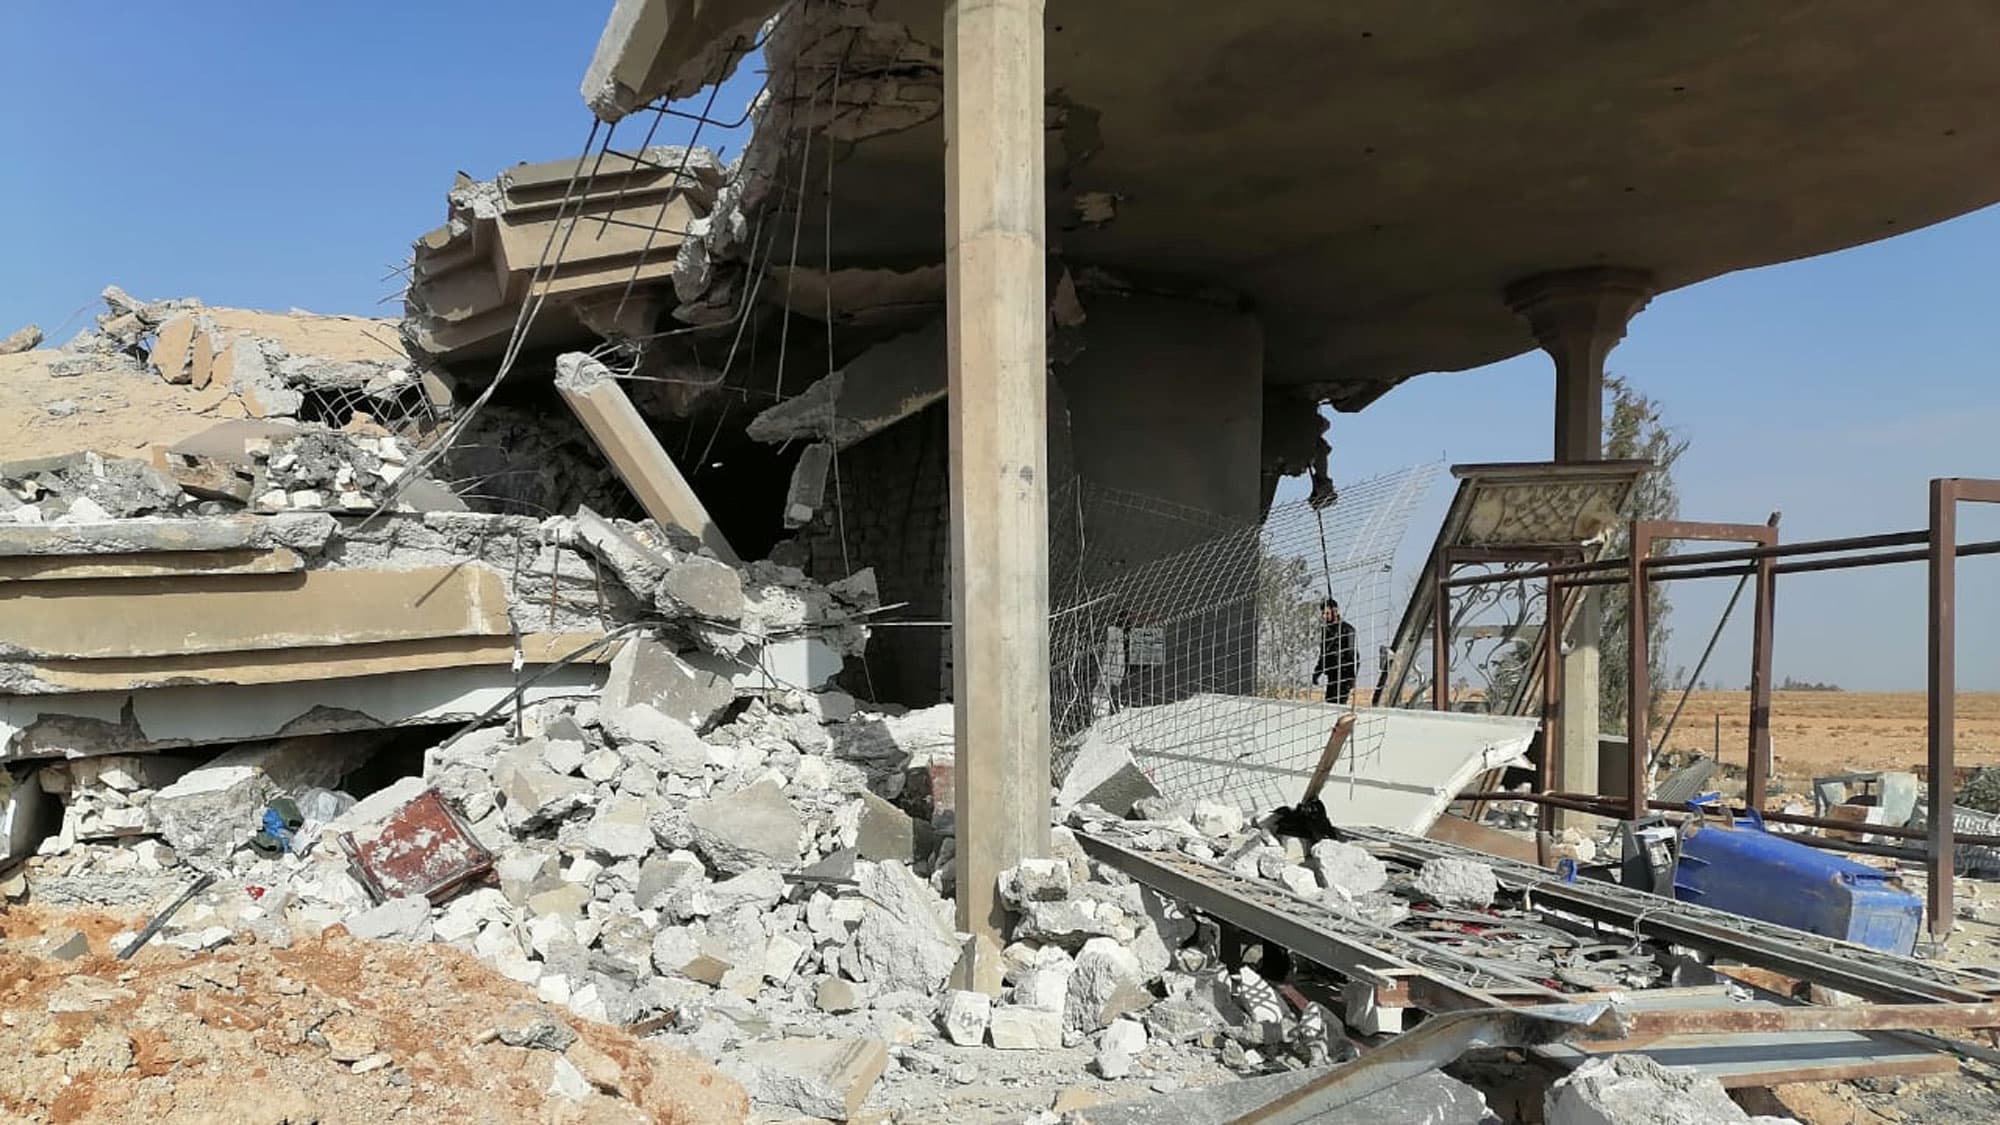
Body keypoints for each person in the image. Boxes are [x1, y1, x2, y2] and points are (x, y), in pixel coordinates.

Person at [1311, 598, 1358, 705]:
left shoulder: (1347, 629)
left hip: (1344, 676)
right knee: (1329, 703)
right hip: (1332, 675)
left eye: (1327, 613)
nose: (1324, 616)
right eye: (1323, 614)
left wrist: (1352, 678)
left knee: (1339, 705)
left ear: (1335, 612)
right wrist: (1317, 672)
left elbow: (1352, 655)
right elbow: (1324, 654)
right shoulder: (1326, 631)